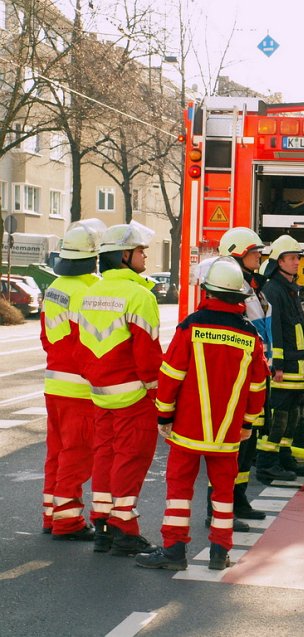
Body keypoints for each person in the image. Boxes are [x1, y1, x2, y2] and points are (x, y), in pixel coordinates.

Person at [136, 257, 269, 571]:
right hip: (228, 434)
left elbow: (170, 375)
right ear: (239, 297)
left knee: (179, 489)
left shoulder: (191, 326)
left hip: (187, 429)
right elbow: (257, 385)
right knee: (224, 491)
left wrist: (164, 416)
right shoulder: (250, 336)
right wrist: (248, 422)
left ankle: (174, 552)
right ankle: (220, 553)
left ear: (208, 291)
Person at [77, 221, 161, 556]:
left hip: (100, 392)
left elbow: (82, 346)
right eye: (141, 251)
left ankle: (102, 525)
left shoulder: (90, 293)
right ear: (125, 255)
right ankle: (124, 529)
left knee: (104, 457)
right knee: (131, 459)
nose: (145, 256)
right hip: (134, 395)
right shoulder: (139, 296)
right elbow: (148, 354)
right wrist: (160, 397)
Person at [202, 227, 273, 531]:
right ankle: (217, 508)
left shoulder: (253, 285)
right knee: (230, 448)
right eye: (255, 252)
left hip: (254, 375)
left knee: (248, 445)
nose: (260, 256)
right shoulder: (232, 287)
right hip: (238, 379)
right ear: (238, 254)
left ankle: (238, 498)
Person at [39, 220, 103, 540]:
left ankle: (51, 514)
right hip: (80, 387)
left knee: (57, 452)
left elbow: (46, 338)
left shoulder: (55, 287)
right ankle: (68, 522)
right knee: (77, 455)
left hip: (54, 384)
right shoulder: (91, 290)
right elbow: (88, 344)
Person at [254, 235, 304, 485]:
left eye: (298, 258)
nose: (297, 262)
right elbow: (275, 329)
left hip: (296, 363)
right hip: (284, 365)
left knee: (292, 413)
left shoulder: (289, 288)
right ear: (278, 262)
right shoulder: (274, 289)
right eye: (292, 258)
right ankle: (267, 464)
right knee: (278, 414)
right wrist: (276, 364)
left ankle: (283, 455)